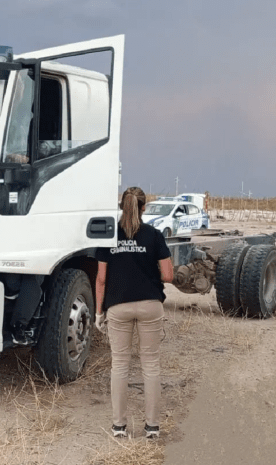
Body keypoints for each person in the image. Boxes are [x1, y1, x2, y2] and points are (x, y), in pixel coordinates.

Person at [94, 187, 173, 439]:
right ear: (144, 208)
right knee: (150, 365)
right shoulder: (154, 235)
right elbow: (169, 275)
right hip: (150, 305)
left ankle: (119, 427)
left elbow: (101, 280)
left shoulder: (109, 237)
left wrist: (98, 312)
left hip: (118, 307)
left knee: (120, 365)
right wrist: (147, 274)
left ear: (122, 206)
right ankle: (152, 427)